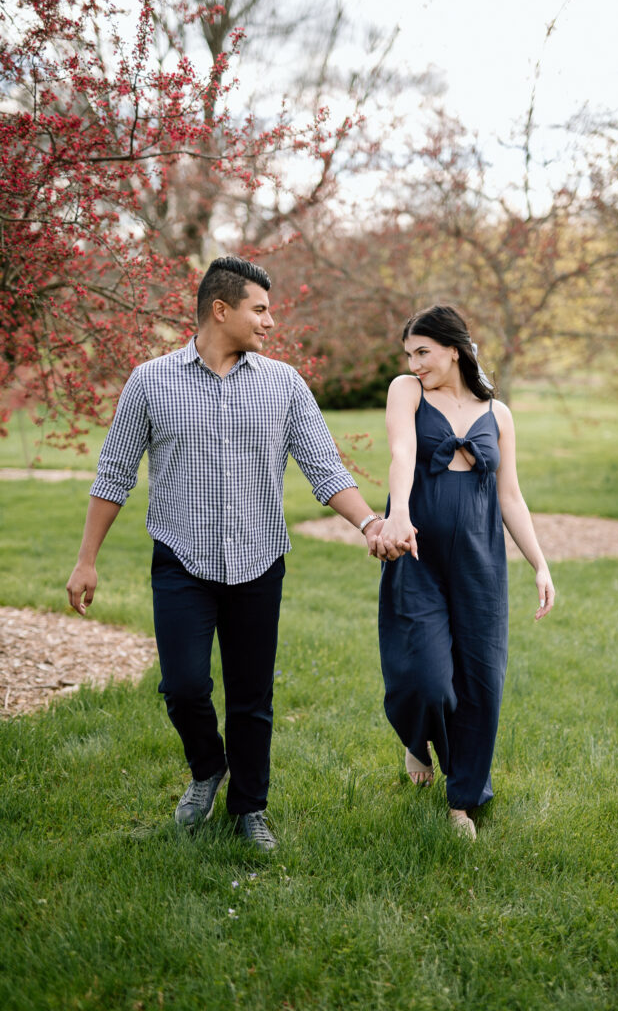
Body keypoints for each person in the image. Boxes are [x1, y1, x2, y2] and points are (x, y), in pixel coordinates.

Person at [66, 255, 390, 852]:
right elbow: (114, 474)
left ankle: (250, 807)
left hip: (259, 560)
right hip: (181, 557)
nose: (270, 322)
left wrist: (370, 521)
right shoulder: (149, 381)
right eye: (259, 309)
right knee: (184, 686)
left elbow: (325, 470)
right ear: (222, 310)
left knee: (251, 695)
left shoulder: (284, 384)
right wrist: (87, 559)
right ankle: (207, 768)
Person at [374, 304, 555, 840]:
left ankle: (463, 801)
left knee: (480, 683)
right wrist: (399, 513)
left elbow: (511, 496)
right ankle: (416, 738)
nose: (415, 362)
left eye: (423, 352)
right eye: (409, 354)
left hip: (480, 563)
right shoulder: (406, 391)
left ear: (454, 349)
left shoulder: (498, 415)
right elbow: (402, 452)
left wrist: (540, 564)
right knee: (424, 679)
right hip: (418, 555)